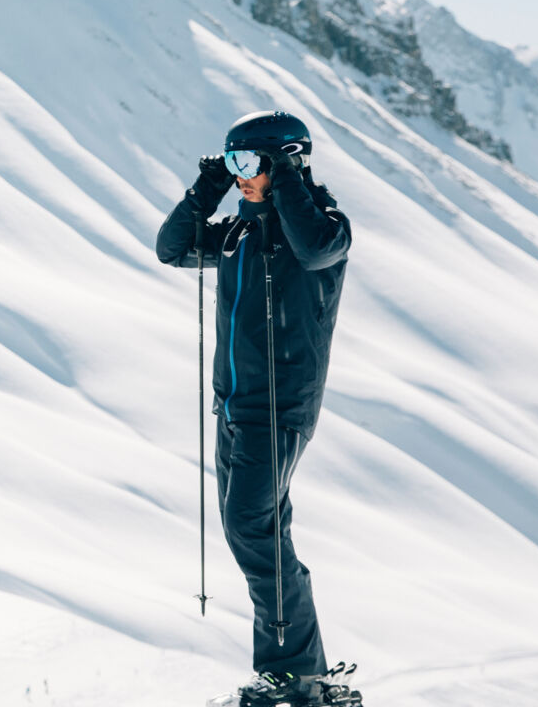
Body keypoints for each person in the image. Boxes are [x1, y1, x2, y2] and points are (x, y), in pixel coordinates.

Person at [155, 111, 361, 707]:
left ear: (284, 163)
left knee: (253, 527)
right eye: (233, 162)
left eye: (249, 163)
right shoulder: (238, 236)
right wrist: (210, 183)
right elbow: (172, 249)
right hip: (234, 407)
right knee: (259, 530)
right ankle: (306, 675)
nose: (240, 174)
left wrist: (288, 181)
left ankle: (291, 675)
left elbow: (317, 249)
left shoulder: (323, 231)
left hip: (281, 407)